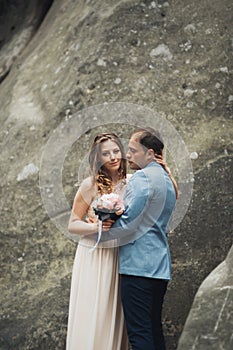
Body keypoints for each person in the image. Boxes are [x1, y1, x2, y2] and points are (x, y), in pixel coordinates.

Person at [103, 127, 178, 350]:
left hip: (138, 268)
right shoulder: (167, 181)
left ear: (151, 153)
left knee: (139, 335)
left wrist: (100, 229)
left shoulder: (142, 179)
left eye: (133, 150)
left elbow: (127, 223)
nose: (127, 155)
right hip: (160, 268)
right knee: (154, 330)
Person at [66, 132, 128, 350]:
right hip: (93, 254)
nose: (112, 157)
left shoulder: (130, 184)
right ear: (97, 158)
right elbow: (73, 223)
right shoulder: (88, 185)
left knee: (113, 308)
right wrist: (95, 227)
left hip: (118, 255)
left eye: (116, 151)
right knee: (93, 307)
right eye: (106, 153)